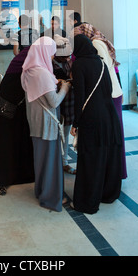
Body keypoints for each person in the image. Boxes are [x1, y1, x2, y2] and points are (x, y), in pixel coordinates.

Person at [70, 34, 122, 214]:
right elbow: (107, 89)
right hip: (109, 115)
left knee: (90, 160)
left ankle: (87, 202)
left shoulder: (79, 64)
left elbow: (80, 97)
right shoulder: (100, 62)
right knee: (106, 157)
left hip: (92, 118)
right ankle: (107, 194)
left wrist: (75, 122)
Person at [21, 36, 70, 212]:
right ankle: (50, 198)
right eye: (51, 53)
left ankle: (41, 191)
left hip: (35, 122)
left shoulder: (29, 70)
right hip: (46, 124)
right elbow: (54, 101)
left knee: (41, 160)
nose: (52, 57)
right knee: (50, 161)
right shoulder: (41, 74)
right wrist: (65, 87)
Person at [74, 22, 127, 179]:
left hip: (108, 93)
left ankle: (113, 172)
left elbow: (101, 70)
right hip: (111, 92)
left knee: (111, 136)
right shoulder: (99, 41)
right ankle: (113, 172)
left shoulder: (96, 43)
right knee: (112, 134)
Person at [0, 47, 35, 195]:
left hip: (20, 104)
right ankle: (0, 181)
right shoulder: (32, 55)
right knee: (4, 142)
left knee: (21, 139)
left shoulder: (35, 54)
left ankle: (21, 175)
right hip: (7, 104)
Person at [52, 35, 76, 174]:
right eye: (64, 56)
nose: (67, 59)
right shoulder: (49, 62)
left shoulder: (71, 62)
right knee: (53, 133)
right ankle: (54, 162)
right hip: (54, 101)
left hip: (69, 101)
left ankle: (64, 162)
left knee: (66, 133)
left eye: (69, 56)